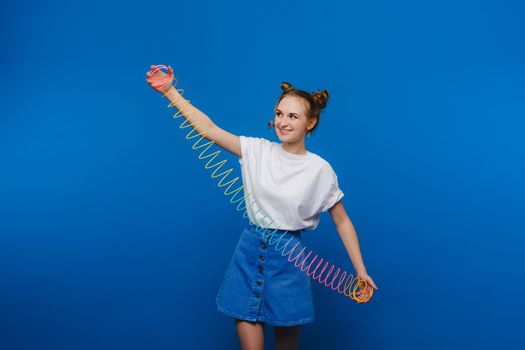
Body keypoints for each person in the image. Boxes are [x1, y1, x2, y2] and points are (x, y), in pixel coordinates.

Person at [146, 65, 378, 350]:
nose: (283, 122)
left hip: (289, 260)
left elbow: (342, 221)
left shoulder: (320, 170)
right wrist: (170, 91)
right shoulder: (257, 150)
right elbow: (208, 129)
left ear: (311, 123)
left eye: (293, 116)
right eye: (279, 114)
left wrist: (360, 271)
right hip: (248, 252)